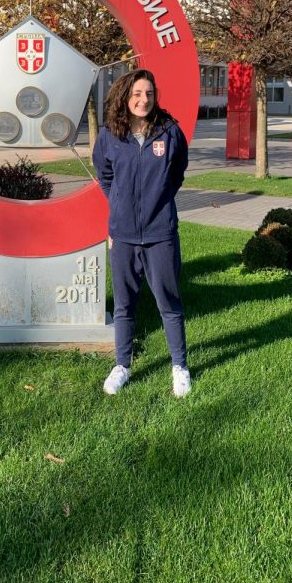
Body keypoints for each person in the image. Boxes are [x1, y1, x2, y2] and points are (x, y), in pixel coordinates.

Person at [92, 68, 191, 397]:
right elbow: (106, 176)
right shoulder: (110, 135)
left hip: (160, 232)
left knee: (169, 302)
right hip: (122, 235)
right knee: (123, 305)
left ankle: (180, 366)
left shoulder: (169, 131)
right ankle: (122, 365)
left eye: (148, 94)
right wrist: (119, 206)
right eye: (137, 94)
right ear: (125, 96)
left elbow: (176, 174)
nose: (143, 100)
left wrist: (157, 201)